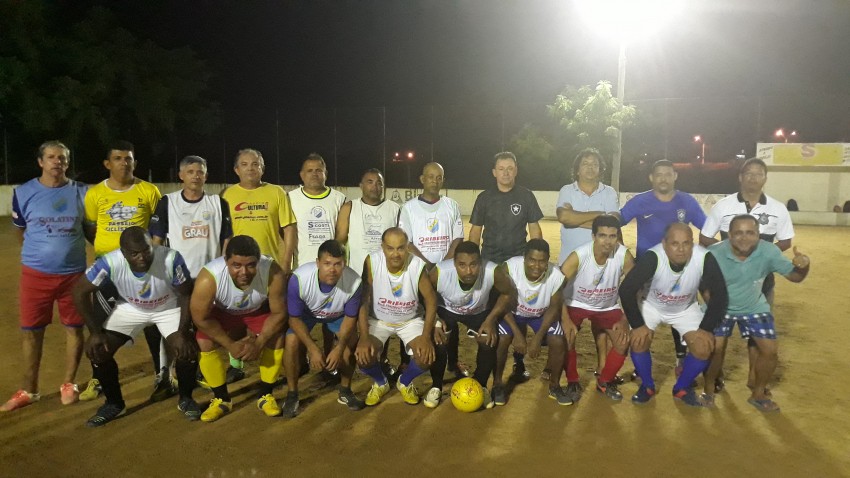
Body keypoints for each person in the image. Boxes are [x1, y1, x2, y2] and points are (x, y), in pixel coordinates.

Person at [71, 227, 199, 426]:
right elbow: (79, 292)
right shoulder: (109, 262)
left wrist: (183, 332)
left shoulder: (171, 258)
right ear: (123, 253)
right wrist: (95, 332)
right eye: (134, 253)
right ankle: (114, 404)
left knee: (186, 349)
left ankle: (186, 398)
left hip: (167, 308)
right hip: (130, 308)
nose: (142, 257)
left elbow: (185, 294)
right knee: (98, 351)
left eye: (146, 250)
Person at [2, 141, 89, 411]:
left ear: (68, 162)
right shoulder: (24, 192)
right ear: (41, 162)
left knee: (74, 328)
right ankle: (29, 389)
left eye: (62, 158)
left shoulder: (83, 192)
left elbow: (91, 230)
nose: (57, 162)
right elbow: (20, 230)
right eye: (51, 157)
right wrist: (39, 254)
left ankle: (69, 383)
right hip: (35, 275)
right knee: (31, 331)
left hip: (73, 275)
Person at [82, 140, 167, 402]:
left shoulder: (149, 190)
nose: (124, 163)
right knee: (100, 322)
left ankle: (162, 373)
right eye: (118, 158)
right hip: (108, 269)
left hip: (142, 268)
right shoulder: (95, 194)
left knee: (152, 322)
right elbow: (91, 228)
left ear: (135, 162)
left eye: (128, 158)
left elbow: (158, 228)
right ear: (107, 164)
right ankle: (98, 376)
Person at [699, 158, 794, 391]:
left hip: (761, 282)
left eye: (758, 173)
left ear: (765, 178)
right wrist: (728, 255)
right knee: (718, 340)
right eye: (748, 173)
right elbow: (705, 238)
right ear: (740, 177)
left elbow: (786, 241)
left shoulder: (778, 208)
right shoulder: (723, 206)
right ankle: (716, 376)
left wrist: (759, 257)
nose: (753, 178)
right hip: (724, 283)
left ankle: (754, 377)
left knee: (757, 336)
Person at [702, 215, 810, 412]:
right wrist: (713, 309)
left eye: (750, 233)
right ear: (728, 235)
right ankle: (709, 387)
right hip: (720, 306)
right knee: (714, 348)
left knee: (770, 350)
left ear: (759, 235)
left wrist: (804, 265)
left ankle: (758, 393)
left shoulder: (768, 251)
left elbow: (795, 276)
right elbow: (704, 286)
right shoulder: (713, 253)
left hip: (754, 306)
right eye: (738, 233)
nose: (744, 238)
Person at [619, 223, 728, 407]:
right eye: (674, 244)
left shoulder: (704, 257)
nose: (681, 249)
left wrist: (705, 329)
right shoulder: (653, 257)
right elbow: (626, 289)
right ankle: (647, 386)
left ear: (693, 243)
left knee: (704, 347)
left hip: (685, 308)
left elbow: (720, 295)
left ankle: (682, 387)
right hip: (651, 305)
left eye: (686, 243)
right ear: (664, 244)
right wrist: (637, 325)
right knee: (638, 341)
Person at [618, 159, 707, 379]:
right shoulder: (640, 201)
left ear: (675, 176)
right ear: (651, 178)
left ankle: (681, 358)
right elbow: (615, 222)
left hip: (680, 271)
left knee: (681, 312)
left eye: (668, 174)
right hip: (647, 273)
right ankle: (641, 366)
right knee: (642, 319)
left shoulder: (687, 202)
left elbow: (708, 228)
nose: (664, 178)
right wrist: (622, 251)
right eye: (659, 174)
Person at [190, 236, 288, 422]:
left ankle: (266, 395)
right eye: (236, 265)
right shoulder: (209, 277)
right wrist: (230, 345)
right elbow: (200, 318)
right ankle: (221, 399)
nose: (244, 272)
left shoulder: (273, 272)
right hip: (223, 312)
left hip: (257, 310)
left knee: (277, 337)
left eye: (251, 265)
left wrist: (259, 343)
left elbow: (279, 313)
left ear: (258, 261)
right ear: (226, 261)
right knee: (204, 341)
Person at [222, 148, 296, 382]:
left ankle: (271, 366)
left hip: (270, 268)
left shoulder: (276, 193)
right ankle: (236, 364)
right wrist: (225, 263)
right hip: (239, 268)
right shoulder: (227, 195)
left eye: (255, 164)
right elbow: (225, 234)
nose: (251, 168)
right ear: (236, 170)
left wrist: (286, 263)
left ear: (263, 168)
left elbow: (289, 229)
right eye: (245, 164)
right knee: (236, 315)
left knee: (275, 317)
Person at [354, 228, 438, 406]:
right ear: (382, 247)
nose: (395, 254)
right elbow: (364, 300)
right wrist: (363, 336)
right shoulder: (372, 261)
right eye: (390, 248)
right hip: (378, 320)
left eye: (400, 248)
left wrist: (426, 337)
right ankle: (381, 383)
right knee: (363, 356)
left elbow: (431, 300)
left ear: (407, 247)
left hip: (409, 321)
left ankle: (404, 382)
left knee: (426, 357)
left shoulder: (417, 265)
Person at [282, 240, 365, 417]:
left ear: (344, 264)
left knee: (351, 341)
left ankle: (345, 389)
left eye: (337, 264)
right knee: (291, 340)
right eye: (327, 263)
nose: (332, 269)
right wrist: (312, 349)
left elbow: (351, 319)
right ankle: (292, 394)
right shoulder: (299, 278)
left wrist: (339, 348)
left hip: (337, 314)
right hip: (307, 313)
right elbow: (294, 319)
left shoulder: (355, 282)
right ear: (317, 263)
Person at [398, 162, 464, 376]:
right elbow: (406, 242)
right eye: (430, 176)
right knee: (411, 314)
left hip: (446, 274)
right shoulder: (408, 208)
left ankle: (453, 362)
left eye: (439, 177)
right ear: (422, 179)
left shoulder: (452, 205)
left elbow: (457, 239)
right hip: (418, 273)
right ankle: (405, 361)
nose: (435, 181)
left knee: (449, 317)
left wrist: (443, 266)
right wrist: (427, 265)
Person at [427, 241, 512, 409]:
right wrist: (435, 319)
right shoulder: (440, 272)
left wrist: (491, 319)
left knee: (488, 340)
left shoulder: (493, 271)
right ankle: (436, 386)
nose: (468, 271)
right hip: (446, 310)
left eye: (473, 265)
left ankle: (480, 385)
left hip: (478, 312)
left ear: (480, 262)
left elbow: (507, 293)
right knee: (438, 339)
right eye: (462, 265)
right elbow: (424, 295)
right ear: (454, 263)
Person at [560, 215, 634, 402]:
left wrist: (625, 319)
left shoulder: (624, 255)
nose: (607, 241)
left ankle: (605, 380)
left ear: (617, 237)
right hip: (576, 303)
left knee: (623, 341)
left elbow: (636, 289)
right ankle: (572, 380)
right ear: (593, 236)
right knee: (565, 337)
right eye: (602, 235)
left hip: (607, 306)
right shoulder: (579, 256)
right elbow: (555, 289)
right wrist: (565, 319)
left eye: (612, 236)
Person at [491, 239, 572, 406]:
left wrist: (537, 338)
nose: (536, 266)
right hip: (512, 314)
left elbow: (554, 308)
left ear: (548, 260)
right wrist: (517, 334)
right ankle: (497, 384)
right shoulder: (509, 268)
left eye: (542, 261)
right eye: (532, 260)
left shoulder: (557, 276)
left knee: (558, 341)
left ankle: (555, 386)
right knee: (503, 338)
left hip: (540, 315)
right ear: (524, 258)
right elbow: (499, 301)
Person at [149, 155, 233, 274]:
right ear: (181, 175)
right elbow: (157, 240)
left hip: (212, 275)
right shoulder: (167, 202)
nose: (196, 176)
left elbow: (226, 239)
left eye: (200, 172)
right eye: (190, 172)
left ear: (206, 176)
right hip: (178, 276)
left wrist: (223, 269)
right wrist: (157, 269)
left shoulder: (219, 203)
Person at [469, 151, 543, 264]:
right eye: (501, 169)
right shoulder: (483, 198)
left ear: (516, 171)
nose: (505, 173)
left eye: (510, 168)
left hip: (518, 259)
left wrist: (536, 257)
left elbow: (534, 229)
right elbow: (475, 231)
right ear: (494, 172)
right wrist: (473, 259)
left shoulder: (527, 196)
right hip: (489, 260)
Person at [556, 148, 619, 266]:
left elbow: (613, 223)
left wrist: (573, 221)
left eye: (595, 164)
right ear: (577, 170)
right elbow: (564, 217)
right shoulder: (567, 190)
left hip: (601, 262)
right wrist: (600, 214)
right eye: (585, 163)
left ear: (600, 170)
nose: (590, 167)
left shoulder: (609, 192)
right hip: (569, 262)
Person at [335, 168, 400, 275]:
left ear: (384, 187)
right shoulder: (349, 207)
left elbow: (401, 243)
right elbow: (339, 241)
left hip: (386, 274)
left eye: (379, 183)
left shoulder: (395, 209)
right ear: (361, 186)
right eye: (370, 182)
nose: (375, 186)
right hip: (357, 274)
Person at [288, 153, 348, 268]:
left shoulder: (339, 199)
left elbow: (342, 234)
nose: (314, 174)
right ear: (302, 175)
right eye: (309, 171)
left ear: (325, 174)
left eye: (318, 170)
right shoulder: (291, 198)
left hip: (330, 268)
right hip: (301, 266)